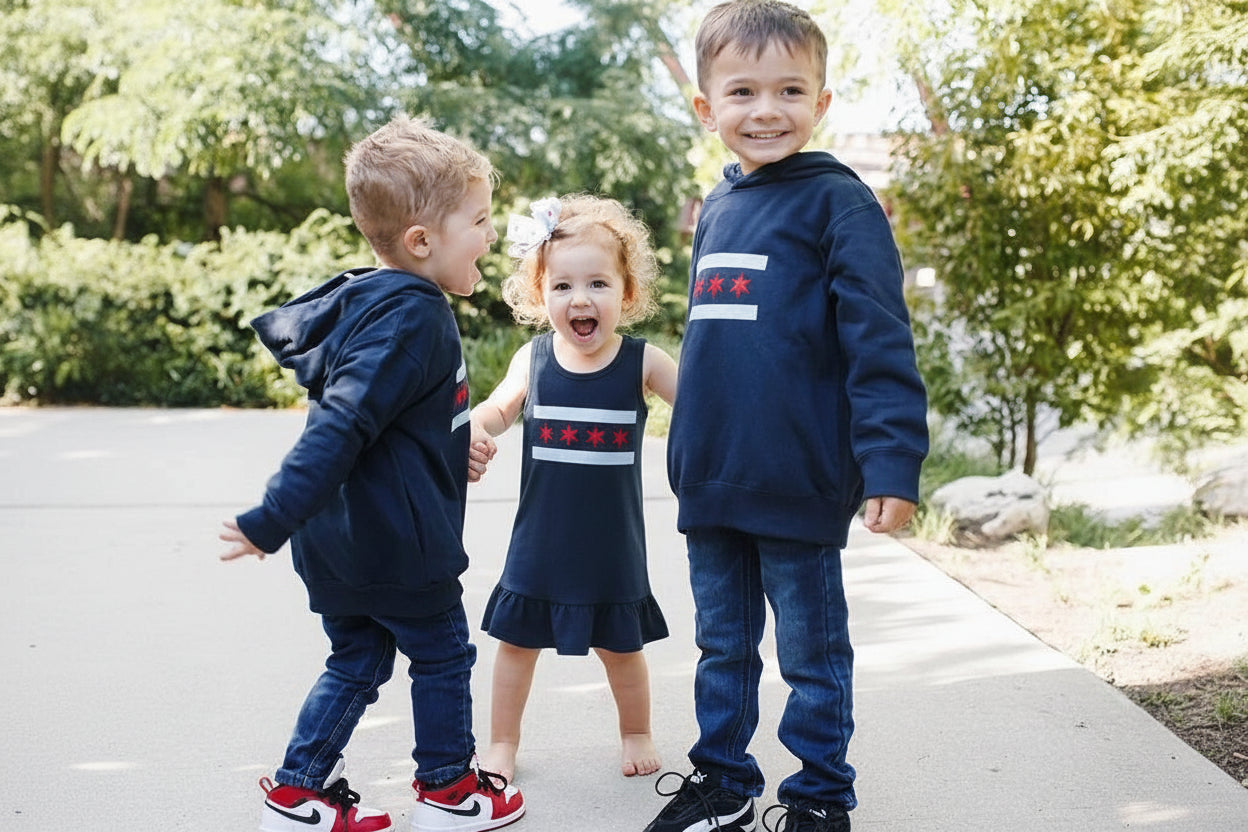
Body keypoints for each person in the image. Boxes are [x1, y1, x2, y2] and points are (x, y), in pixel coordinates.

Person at [645, 3, 929, 832]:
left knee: (812, 655)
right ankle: (723, 781)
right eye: (742, 91)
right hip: (713, 477)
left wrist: (891, 466)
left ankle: (817, 796)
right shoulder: (717, 206)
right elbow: (710, 348)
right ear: (706, 108)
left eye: (789, 90)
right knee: (721, 647)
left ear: (822, 102)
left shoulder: (840, 205)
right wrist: (685, 451)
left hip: (798, 475)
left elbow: (880, 345)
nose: (765, 110)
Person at [218, 114, 525, 832]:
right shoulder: (413, 317)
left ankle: (298, 793)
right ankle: (448, 790)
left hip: (342, 540)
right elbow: (345, 424)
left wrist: (455, 449)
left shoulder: (373, 304)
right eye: (478, 220)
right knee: (443, 654)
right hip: (398, 544)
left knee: (356, 661)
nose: (490, 234)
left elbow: (393, 423)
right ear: (423, 242)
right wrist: (272, 516)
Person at [468, 194, 679, 784]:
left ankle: (636, 730)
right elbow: (495, 410)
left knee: (622, 648)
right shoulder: (532, 360)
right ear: (541, 296)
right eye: (562, 287)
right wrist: (476, 432)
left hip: (612, 544)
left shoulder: (641, 362)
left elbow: (702, 407)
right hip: (540, 539)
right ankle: (503, 742)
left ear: (626, 293)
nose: (579, 299)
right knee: (515, 644)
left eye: (597, 284)